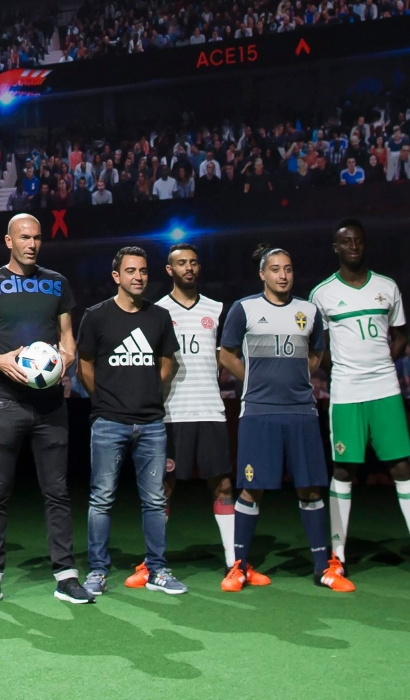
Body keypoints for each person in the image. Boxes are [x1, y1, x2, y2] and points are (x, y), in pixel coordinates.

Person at [0, 213, 91, 606]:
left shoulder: (57, 283)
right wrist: (2, 362)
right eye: (24, 237)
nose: (32, 244)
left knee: (56, 491)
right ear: (8, 241)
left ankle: (66, 577)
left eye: (37, 238)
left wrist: (62, 362)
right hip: (4, 402)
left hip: (50, 406)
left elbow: (68, 339)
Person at [310, 219, 410, 587]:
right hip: (346, 393)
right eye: (346, 242)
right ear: (335, 247)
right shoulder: (322, 294)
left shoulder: (387, 287)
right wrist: (345, 367)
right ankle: (338, 557)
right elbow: (320, 347)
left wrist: (381, 360)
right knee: (344, 471)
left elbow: (399, 336)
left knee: (401, 467)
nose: (353, 246)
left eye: (358, 241)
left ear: (365, 245)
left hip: (385, 389)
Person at [217, 246, 344, 593]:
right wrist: (253, 381)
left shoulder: (309, 310)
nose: (283, 275)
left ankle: (323, 568)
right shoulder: (244, 309)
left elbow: (317, 353)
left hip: (301, 411)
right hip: (259, 411)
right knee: (251, 488)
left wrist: (299, 377)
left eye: (288, 269)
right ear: (263, 274)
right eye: (275, 269)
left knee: (310, 486)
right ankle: (239, 567)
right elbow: (225, 354)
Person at [77, 246, 182, 596]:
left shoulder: (159, 317)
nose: (138, 277)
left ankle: (157, 569)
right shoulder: (96, 316)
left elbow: (168, 361)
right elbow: (85, 365)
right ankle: (97, 571)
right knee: (102, 499)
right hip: (109, 422)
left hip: (151, 422)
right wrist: (106, 401)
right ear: (116, 277)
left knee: (154, 500)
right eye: (131, 271)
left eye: (143, 271)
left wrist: (150, 390)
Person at [153, 242, 235, 574]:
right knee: (163, 488)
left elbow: (225, 356)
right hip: (173, 412)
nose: (189, 268)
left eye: (194, 263)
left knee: (224, 485)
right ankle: (153, 561)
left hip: (210, 410)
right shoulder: (156, 311)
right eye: (182, 263)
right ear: (170, 270)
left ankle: (234, 559)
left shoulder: (216, 309)